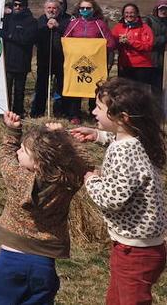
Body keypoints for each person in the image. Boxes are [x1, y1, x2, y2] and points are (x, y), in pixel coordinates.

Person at [70, 78, 167, 304]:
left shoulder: (124, 151)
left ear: (122, 118)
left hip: (135, 252)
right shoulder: (135, 139)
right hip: (136, 246)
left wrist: (91, 179)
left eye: (99, 108)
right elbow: (119, 139)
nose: (93, 112)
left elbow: (113, 198)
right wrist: (97, 135)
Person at [0, 110, 89, 304]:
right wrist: (63, 138)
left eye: (23, 150)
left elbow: (5, 158)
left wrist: (13, 132)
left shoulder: (18, 177)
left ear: (38, 163)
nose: (18, 152)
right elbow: (84, 165)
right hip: (44, 265)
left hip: (8, 261)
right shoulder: (67, 182)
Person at [32, 0, 75, 121]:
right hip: (45, 59)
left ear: (59, 9)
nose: (51, 10)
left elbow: (70, 35)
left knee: (62, 87)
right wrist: (46, 28)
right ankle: (37, 112)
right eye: (49, 8)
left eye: (54, 8)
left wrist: (59, 27)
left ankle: (61, 111)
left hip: (62, 60)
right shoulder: (40, 20)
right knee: (41, 87)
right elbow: (35, 36)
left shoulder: (67, 20)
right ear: (45, 9)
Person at [0, 0, 38, 117]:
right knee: (6, 89)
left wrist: (8, 35)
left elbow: (27, 39)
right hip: (7, 61)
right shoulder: (7, 18)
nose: (17, 7)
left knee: (19, 90)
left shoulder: (31, 21)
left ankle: (18, 112)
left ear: (25, 6)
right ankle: (5, 111)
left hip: (22, 62)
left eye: (20, 5)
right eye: (15, 4)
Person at [113, 4, 156, 88]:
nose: (129, 15)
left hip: (142, 66)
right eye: (126, 13)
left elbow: (148, 46)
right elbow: (112, 44)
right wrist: (118, 42)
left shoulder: (145, 27)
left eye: (132, 12)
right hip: (124, 64)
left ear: (137, 14)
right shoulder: (118, 27)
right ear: (123, 14)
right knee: (124, 92)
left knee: (140, 93)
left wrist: (130, 42)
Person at [149, 0, 167, 95]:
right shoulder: (149, 21)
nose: (164, 11)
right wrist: (164, 38)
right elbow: (150, 41)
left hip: (164, 61)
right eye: (161, 9)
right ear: (156, 10)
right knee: (153, 88)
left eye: (166, 9)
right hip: (153, 60)